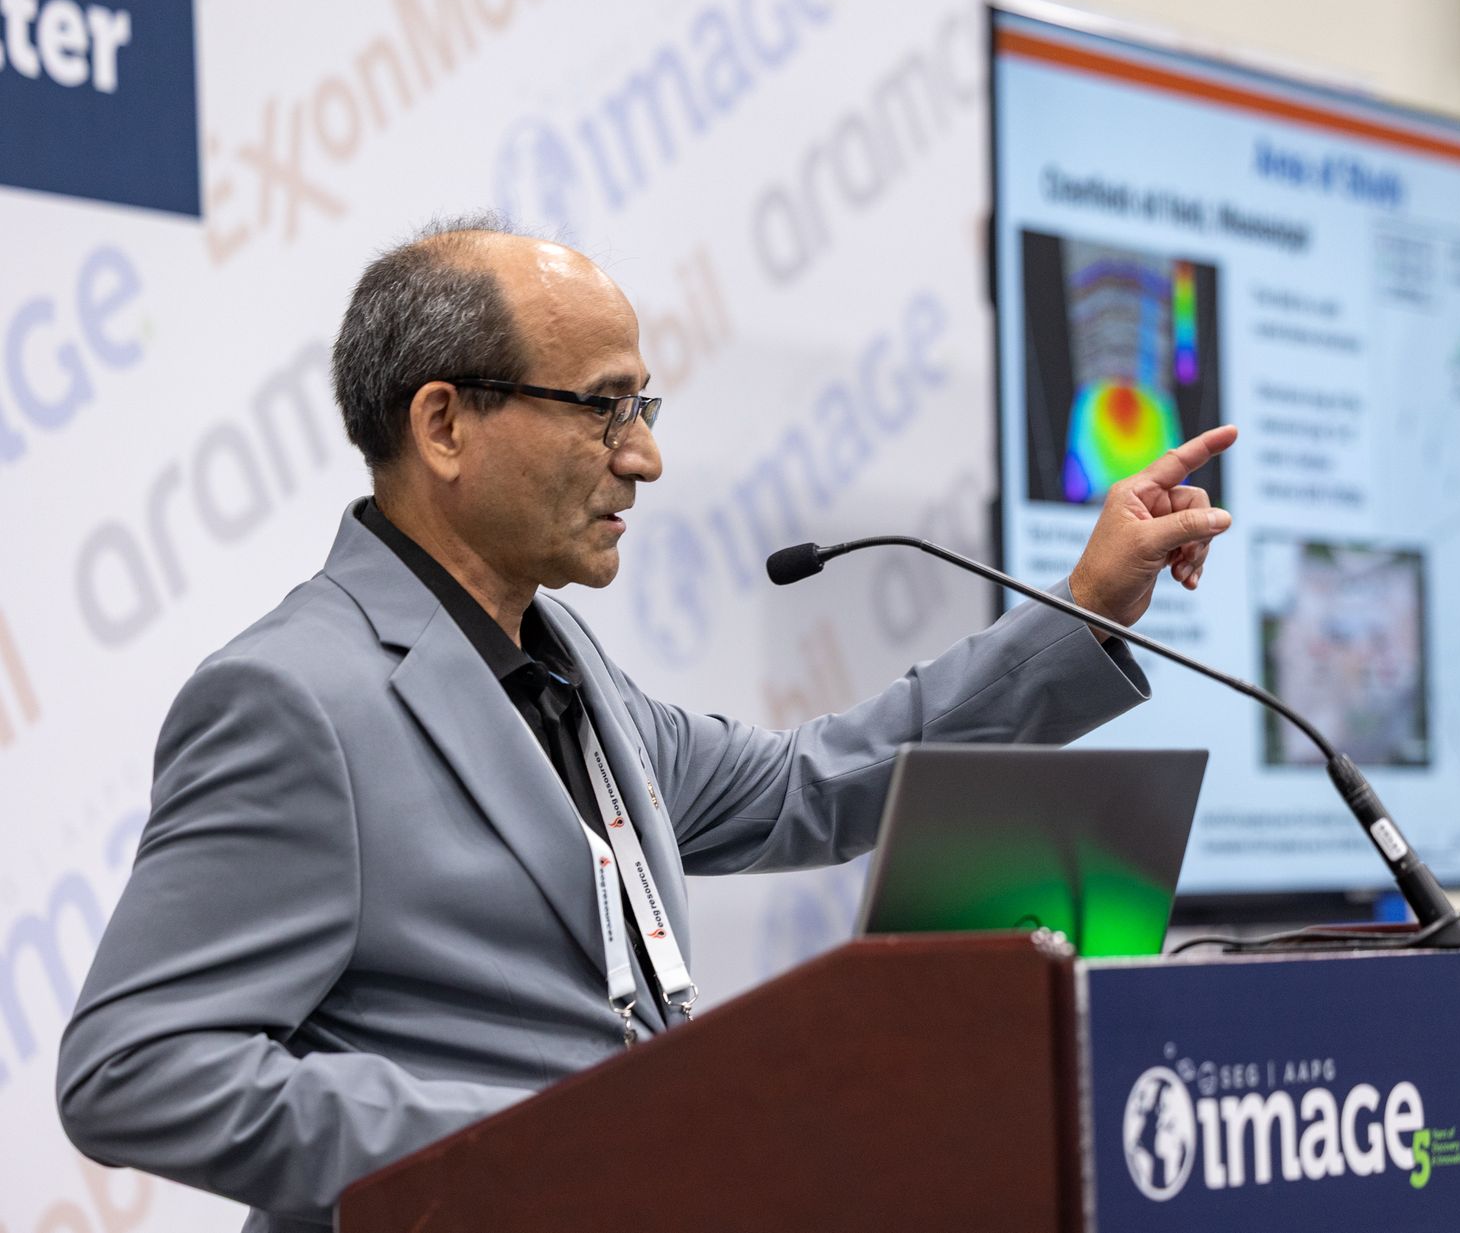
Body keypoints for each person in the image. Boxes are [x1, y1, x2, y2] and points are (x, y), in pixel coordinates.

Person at [55, 217, 1237, 1233]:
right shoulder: (293, 700)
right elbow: (136, 1070)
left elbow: (810, 787)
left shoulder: (571, 672)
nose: (646, 456)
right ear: (444, 426)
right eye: (603, 408)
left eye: (643, 406)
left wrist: (1084, 608)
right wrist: (538, 1136)